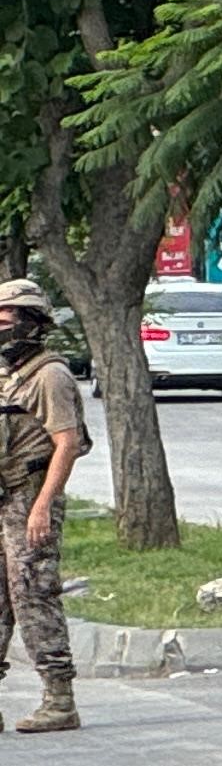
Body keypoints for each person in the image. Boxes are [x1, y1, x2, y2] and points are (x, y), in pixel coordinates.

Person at [0, 278, 88, 734]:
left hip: (29, 498)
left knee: (34, 595)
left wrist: (42, 507)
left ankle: (59, 700)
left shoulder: (49, 375)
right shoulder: (7, 373)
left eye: (7, 317)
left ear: (31, 321)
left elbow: (68, 444)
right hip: (3, 497)